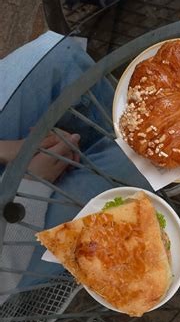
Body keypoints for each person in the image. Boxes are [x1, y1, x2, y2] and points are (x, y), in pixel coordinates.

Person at [0, 31, 152, 294]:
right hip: (11, 247)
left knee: (60, 58)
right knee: (135, 160)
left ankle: (119, 142)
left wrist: (16, 150)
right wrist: (31, 185)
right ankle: (153, 178)